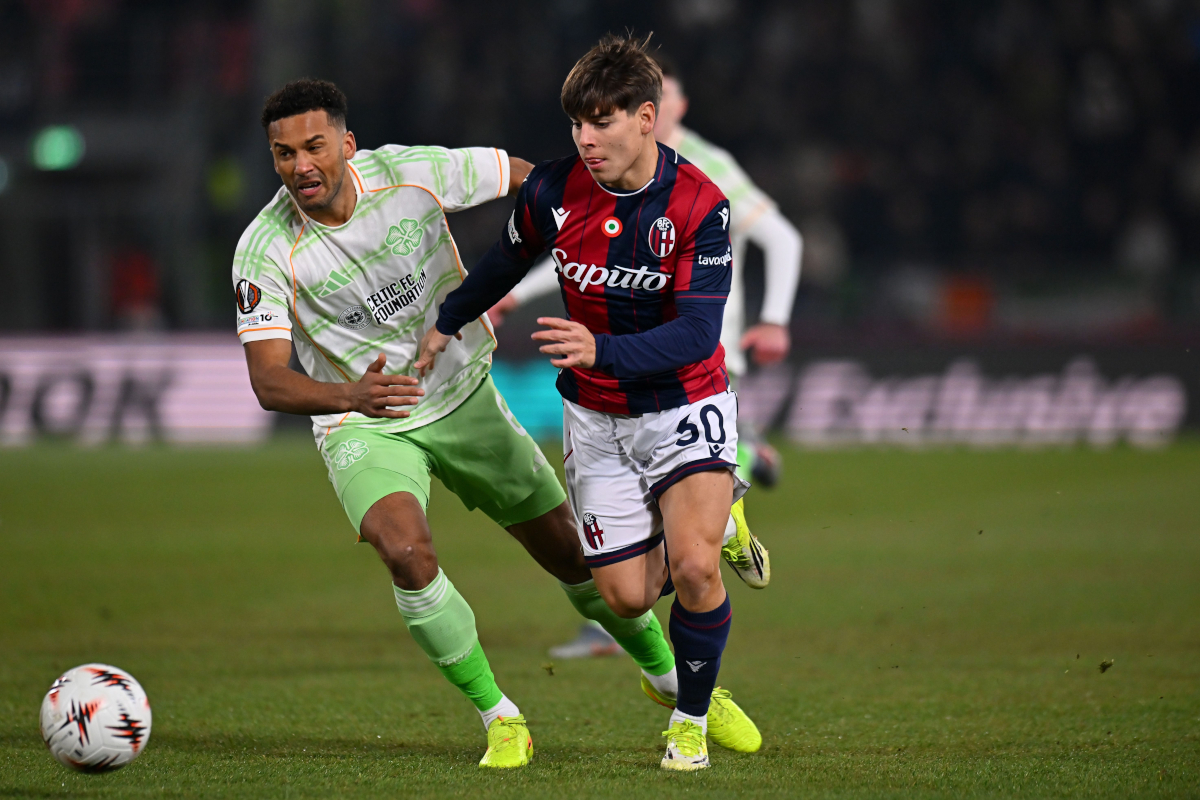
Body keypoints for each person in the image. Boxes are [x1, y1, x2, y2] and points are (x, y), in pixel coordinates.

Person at [234, 78, 690, 769]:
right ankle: (500, 716)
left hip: (463, 393)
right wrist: (350, 398)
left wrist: (592, 225)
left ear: (347, 146)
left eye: (314, 147)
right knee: (406, 554)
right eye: (283, 154)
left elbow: (522, 176)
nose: (300, 166)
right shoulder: (263, 248)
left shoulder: (407, 173)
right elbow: (269, 379)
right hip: (367, 421)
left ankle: (668, 680)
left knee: (572, 556)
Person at [417, 35, 763, 771]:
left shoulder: (701, 206)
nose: (586, 138)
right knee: (627, 599)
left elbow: (699, 334)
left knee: (697, 571)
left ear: (646, 117)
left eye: (602, 121)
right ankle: (714, 516)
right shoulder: (551, 190)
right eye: (577, 122)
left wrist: (600, 349)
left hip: (684, 405)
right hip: (597, 419)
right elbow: (503, 265)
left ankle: (690, 723)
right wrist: (446, 322)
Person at [489, 54, 799, 660]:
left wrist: (774, 319)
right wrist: (512, 292)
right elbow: (573, 254)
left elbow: (781, 236)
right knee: (644, 540)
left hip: (695, 347)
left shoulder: (708, 171)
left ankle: (706, 528)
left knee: (683, 528)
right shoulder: (599, 172)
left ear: (657, 108)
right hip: (615, 360)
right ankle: (700, 533)